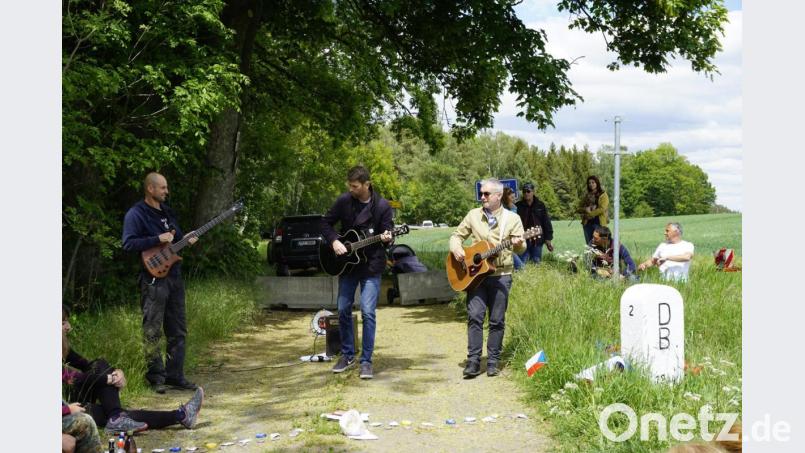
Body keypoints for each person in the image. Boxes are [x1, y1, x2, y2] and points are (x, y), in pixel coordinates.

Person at [62, 306, 204, 432]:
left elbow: (89, 366)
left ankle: (116, 418)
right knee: (114, 413)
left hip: (72, 406)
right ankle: (180, 415)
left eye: (67, 321)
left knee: (100, 364)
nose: (68, 327)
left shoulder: (63, 347)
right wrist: (109, 379)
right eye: (63, 323)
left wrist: (116, 372)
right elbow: (73, 378)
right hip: (66, 410)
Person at [122, 172, 199, 393]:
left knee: (178, 328)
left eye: (166, 187)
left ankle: (175, 375)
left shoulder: (168, 212)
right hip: (152, 279)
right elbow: (128, 243)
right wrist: (157, 239)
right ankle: (156, 377)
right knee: (152, 329)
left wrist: (188, 240)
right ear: (150, 189)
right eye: (163, 188)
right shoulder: (136, 214)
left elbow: (177, 240)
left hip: (174, 275)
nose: (167, 191)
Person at [321, 165, 394, 379]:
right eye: (349, 185)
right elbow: (325, 223)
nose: (351, 189)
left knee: (368, 312)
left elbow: (389, 232)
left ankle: (366, 361)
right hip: (348, 265)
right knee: (342, 309)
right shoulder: (344, 201)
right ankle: (347, 355)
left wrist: (389, 237)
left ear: (366, 185)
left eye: (354, 186)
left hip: (371, 266)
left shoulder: (382, 206)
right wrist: (334, 241)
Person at [449, 178, 525, 378]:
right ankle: (473, 361)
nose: (482, 197)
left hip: (502, 275)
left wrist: (517, 244)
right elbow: (456, 236)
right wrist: (457, 249)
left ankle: (493, 361)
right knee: (474, 316)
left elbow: (522, 247)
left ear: (498, 196)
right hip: (476, 276)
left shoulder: (512, 219)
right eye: (481, 193)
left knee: (497, 320)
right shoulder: (473, 215)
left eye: (486, 194)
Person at [515, 182, 554, 264]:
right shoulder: (518, 206)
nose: (526, 193)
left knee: (536, 263)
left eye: (528, 191)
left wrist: (548, 239)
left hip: (538, 240)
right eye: (524, 191)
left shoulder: (540, 205)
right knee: (522, 263)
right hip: (523, 240)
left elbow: (546, 222)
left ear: (533, 192)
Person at [577, 175, 609, 245]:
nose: (591, 184)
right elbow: (578, 208)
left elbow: (602, 209)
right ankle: (590, 256)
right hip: (587, 224)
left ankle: (600, 256)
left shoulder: (603, 195)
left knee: (599, 245)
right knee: (589, 245)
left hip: (599, 224)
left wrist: (590, 214)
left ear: (597, 183)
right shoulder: (586, 195)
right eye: (589, 183)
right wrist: (585, 209)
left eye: (593, 182)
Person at [502, 186, 525, 271]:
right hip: (504, 242)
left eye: (513, 196)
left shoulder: (514, 208)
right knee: (520, 267)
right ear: (505, 197)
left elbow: (515, 223)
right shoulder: (501, 209)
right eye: (510, 196)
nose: (513, 197)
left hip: (513, 239)